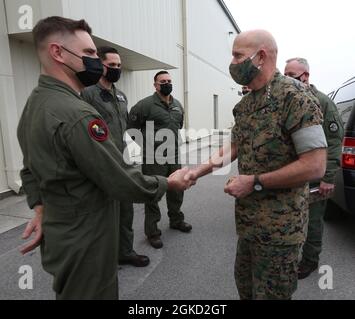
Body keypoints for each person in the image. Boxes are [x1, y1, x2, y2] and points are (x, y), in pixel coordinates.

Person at [17, 16, 192, 300]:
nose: (94, 61)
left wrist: (39, 207)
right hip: (87, 236)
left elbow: (29, 168)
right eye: (88, 53)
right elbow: (120, 180)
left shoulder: (37, 103)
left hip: (66, 231)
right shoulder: (78, 112)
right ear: (57, 52)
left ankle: (126, 250)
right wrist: (167, 183)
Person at [184, 30, 328, 300]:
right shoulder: (245, 105)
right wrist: (196, 171)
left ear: (260, 56)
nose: (233, 62)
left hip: (280, 232)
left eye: (238, 55)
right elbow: (235, 146)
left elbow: (315, 166)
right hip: (249, 226)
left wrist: (254, 181)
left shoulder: (295, 98)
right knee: (246, 290)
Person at [81, 47, 149, 268]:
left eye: (119, 66)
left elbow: (127, 126)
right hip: (101, 162)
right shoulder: (87, 93)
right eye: (112, 66)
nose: (116, 69)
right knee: (102, 212)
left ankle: (125, 251)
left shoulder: (121, 95)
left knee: (125, 209)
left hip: (122, 160)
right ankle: (102, 257)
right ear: (101, 66)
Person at [284, 57, 344, 279]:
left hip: (315, 176)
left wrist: (328, 178)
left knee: (313, 221)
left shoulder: (322, 102)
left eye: (291, 75)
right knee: (291, 218)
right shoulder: (288, 100)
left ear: (305, 76)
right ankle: (289, 255)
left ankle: (310, 260)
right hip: (292, 174)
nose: (286, 79)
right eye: (284, 75)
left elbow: (335, 141)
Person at [128, 71, 192, 249]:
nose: (166, 84)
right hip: (153, 159)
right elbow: (132, 129)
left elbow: (178, 126)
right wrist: (147, 146)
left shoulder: (178, 105)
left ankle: (176, 220)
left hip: (174, 156)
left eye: (169, 81)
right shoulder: (144, 106)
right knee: (153, 193)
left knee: (177, 190)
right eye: (162, 81)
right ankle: (152, 232)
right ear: (155, 85)